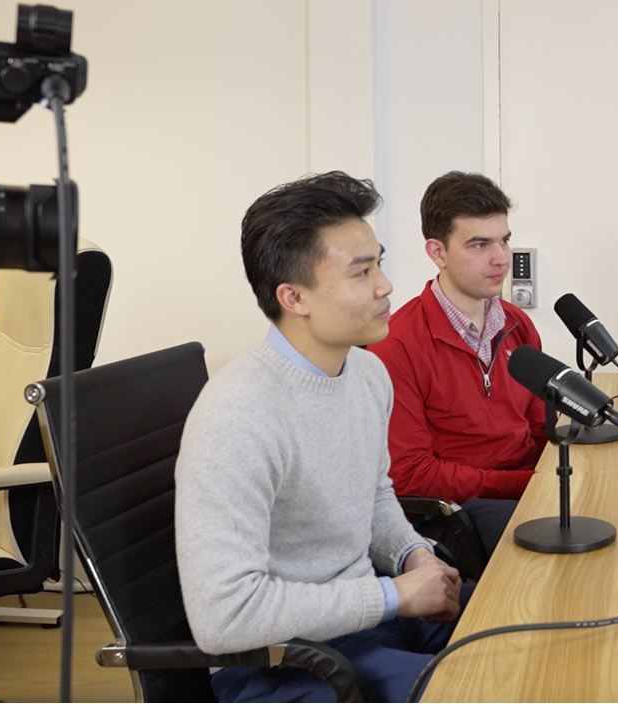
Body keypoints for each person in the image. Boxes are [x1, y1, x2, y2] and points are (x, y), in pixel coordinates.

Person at [176, 172, 468, 703]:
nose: (385, 286)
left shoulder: (367, 374)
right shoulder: (237, 415)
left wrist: (412, 556)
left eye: (379, 264)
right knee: (479, 688)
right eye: (362, 272)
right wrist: (393, 595)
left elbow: (374, 495)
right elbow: (224, 618)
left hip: (370, 620)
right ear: (294, 297)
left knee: (527, 629)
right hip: (285, 660)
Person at [369, 172, 546, 560]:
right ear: (438, 253)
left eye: (504, 240)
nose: (501, 258)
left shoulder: (517, 324)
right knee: (553, 555)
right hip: (455, 510)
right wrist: (528, 483)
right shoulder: (396, 345)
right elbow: (412, 474)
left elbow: (538, 425)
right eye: (480, 244)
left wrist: (559, 476)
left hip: (521, 489)